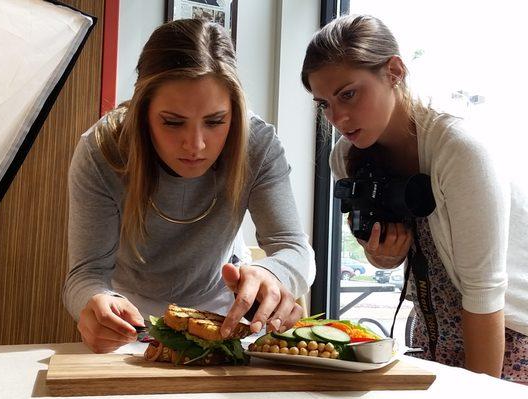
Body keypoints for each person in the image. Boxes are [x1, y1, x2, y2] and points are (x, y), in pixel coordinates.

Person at [64, 18, 315, 354]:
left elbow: (295, 249)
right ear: (142, 111)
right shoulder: (102, 150)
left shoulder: (258, 145)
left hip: (223, 319)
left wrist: (272, 272)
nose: (195, 145)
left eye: (215, 122)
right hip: (129, 325)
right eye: (172, 122)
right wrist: (94, 301)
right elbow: (86, 272)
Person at [301, 14, 527, 382]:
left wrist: (480, 391)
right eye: (323, 103)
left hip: (507, 338)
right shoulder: (346, 156)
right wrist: (383, 255)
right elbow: (405, 256)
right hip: (434, 336)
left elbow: (485, 293)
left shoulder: (460, 151)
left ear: (394, 71)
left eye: (348, 94)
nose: (337, 117)